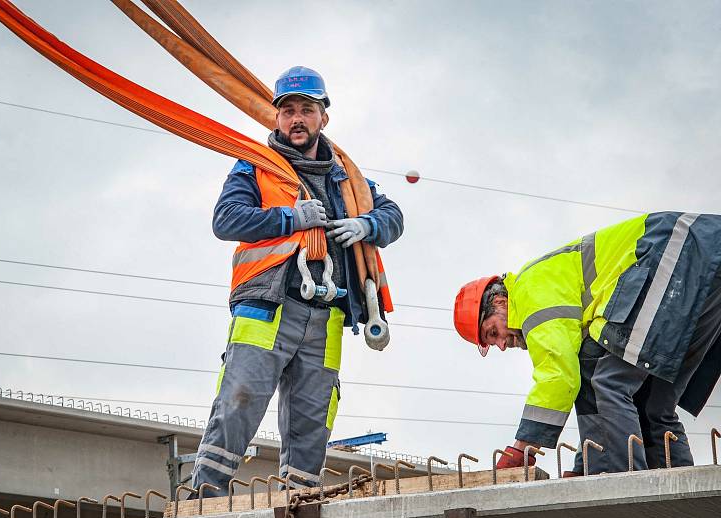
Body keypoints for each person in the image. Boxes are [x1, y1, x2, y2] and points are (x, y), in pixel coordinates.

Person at [189, 66, 403, 494]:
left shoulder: (350, 177)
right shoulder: (256, 167)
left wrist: (367, 225)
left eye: (307, 109)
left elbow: (393, 215)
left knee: (313, 417)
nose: (297, 119)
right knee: (239, 399)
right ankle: (206, 494)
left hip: (326, 315)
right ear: (276, 118)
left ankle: (302, 497)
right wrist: (291, 218)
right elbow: (226, 219)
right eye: (288, 111)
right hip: (268, 307)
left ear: (324, 116)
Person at [454, 212, 721, 474]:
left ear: (499, 302)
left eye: (493, 333)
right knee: (650, 405)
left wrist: (522, 447)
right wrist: (586, 465)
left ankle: (625, 495)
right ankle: (676, 499)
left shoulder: (528, 294)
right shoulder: (550, 288)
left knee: (609, 381)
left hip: (677, 253)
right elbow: (589, 385)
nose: (502, 344)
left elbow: (559, 375)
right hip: (702, 256)